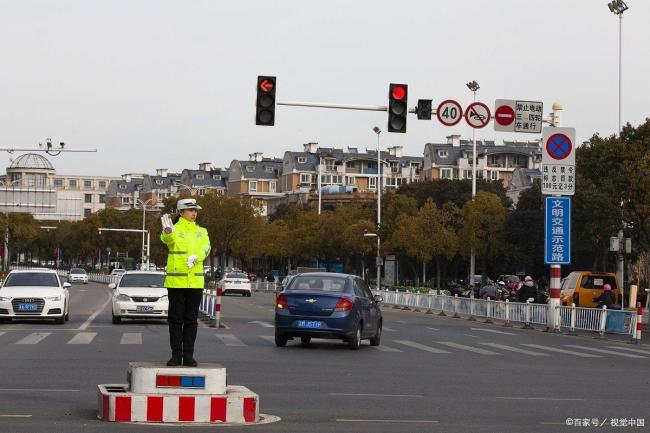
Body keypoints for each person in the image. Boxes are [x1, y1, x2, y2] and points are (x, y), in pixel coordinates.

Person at [160, 198, 211, 367]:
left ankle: (188, 355)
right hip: (176, 282)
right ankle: (176, 355)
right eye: (190, 210)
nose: (194, 213)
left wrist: (198, 255)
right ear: (181, 212)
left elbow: (206, 247)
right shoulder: (173, 229)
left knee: (191, 321)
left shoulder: (202, 231)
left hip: (195, 283)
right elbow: (167, 240)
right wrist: (167, 232)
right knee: (175, 320)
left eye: (195, 210)